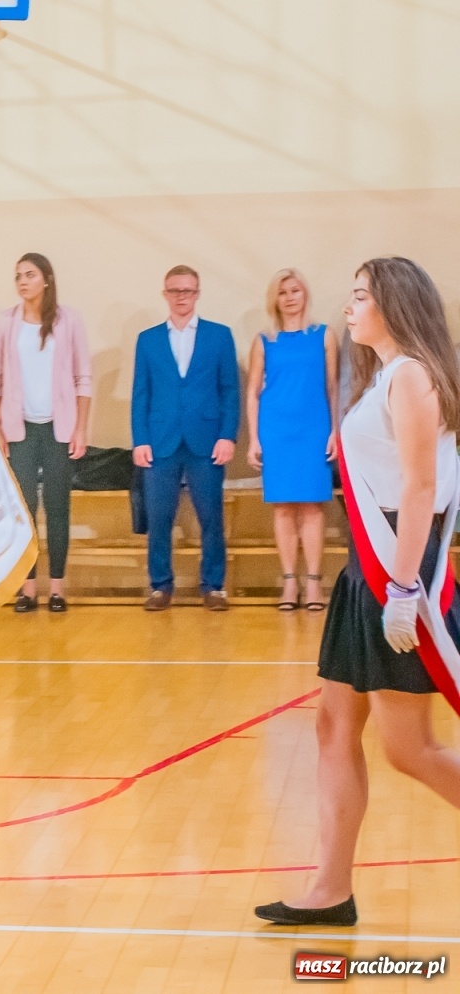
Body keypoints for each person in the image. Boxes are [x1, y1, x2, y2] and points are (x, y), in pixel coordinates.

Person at [255, 257, 460, 928]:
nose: (351, 305)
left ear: (394, 305)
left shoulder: (411, 376)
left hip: (398, 572)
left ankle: (330, 885)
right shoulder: (385, 376)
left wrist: (402, 587)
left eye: (362, 295)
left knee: (409, 750)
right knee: (333, 725)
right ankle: (329, 887)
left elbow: (421, 490)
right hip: (363, 573)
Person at [0, 253, 93, 613]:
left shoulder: (69, 320)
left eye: (29, 275)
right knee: (24, 509)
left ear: (46, 279)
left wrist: (80, 428)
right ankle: (27, 588)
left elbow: (83, 378)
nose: (22, 282)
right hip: (20, 429)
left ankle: (57, 588)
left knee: (58, 507)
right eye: (18, 276)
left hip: (58, 428)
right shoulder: (5, 323)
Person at [131, 265, 240, 611]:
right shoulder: (147, 339)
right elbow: (141, 394)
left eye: (188, 291)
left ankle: (214, 586)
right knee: (159, 519)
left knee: (211, 517)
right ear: (165, 294)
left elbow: (230, 391)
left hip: (206, 442)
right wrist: (140, 439)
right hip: (160, 442)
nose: (182, 297)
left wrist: (227, 436)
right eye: (175, 291)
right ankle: (160, 586)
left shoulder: (219, 336)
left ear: (197, 293)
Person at [245, 269, 338, 612]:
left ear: (305, 294)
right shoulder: (264, 340)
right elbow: (253, 392)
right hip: (277, 429)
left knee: (312, 507)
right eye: (283, 292)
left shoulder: (324, 336)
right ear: (275, 299)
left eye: (295, 290)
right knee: (284, 508)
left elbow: (333, 388)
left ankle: (313, 584)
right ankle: (288, 583)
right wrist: (254, 438)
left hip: (314, 428)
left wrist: (335, 430)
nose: (290, 297)